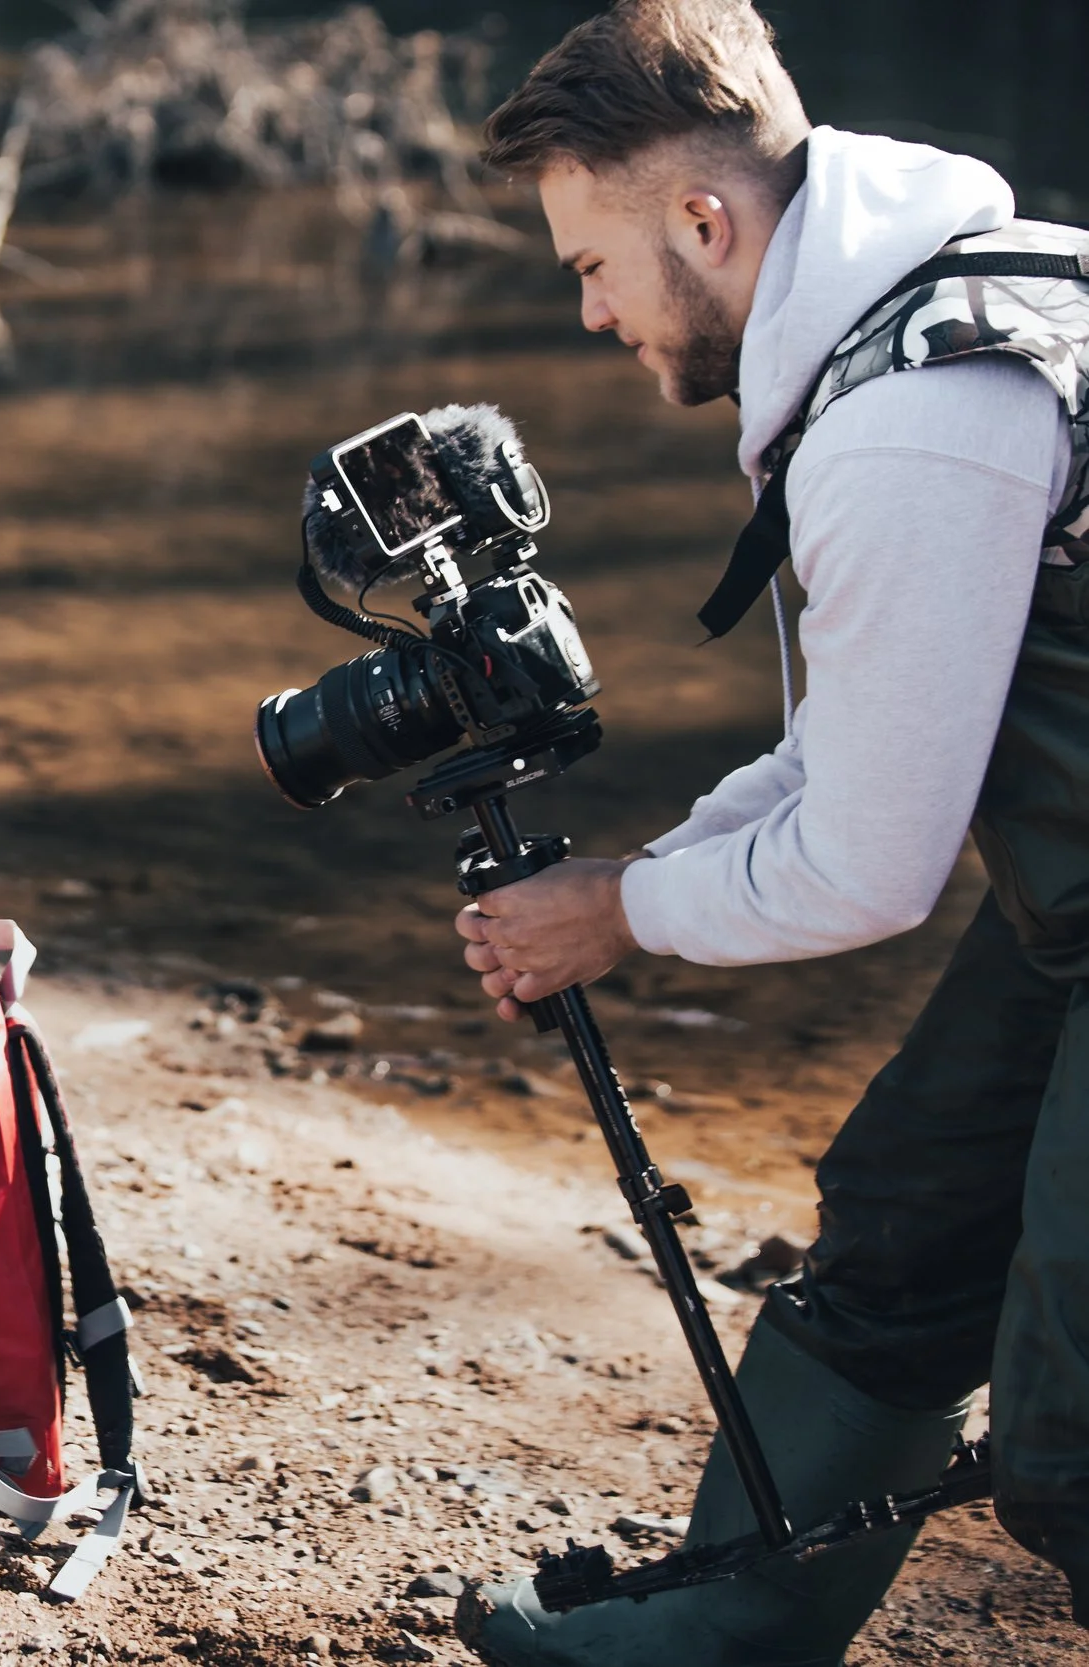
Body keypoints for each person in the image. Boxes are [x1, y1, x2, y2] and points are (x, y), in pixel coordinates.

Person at [446, 3, 1089, 1662]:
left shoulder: (914, 414)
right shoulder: (921, 321)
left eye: (592, 263)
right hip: (1074, 906)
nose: (586, 311)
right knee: (907, 1228)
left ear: (705, 222)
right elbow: (846, 754)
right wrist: (620, 881)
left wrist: (629, 914)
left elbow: (871, 868)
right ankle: (725, 1632)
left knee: (1078, 1424)